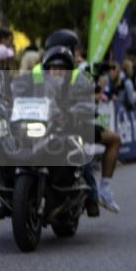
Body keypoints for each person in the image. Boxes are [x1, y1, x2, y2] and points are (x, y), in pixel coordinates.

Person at [43, 29, 122, 215]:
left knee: (84, 149)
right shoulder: (59, 68)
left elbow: (88, 101)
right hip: (44, 124)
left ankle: (96, 193)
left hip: (72, 123)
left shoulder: (74, 73)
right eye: (74, 48)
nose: (77, 53)